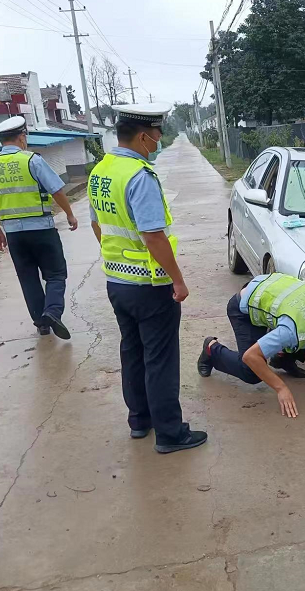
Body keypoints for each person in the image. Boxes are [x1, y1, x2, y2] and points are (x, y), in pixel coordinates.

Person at [88, 104, 207, 454]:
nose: (158, 142)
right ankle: (170, 433)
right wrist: (178, 280)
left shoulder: (102, 171)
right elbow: (153, 235)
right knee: (161, 358)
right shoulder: (139, 176)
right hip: (151, 286)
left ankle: (140, 420)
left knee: (133, 351)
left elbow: (98, 224)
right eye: (156, 136)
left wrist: (115, 257)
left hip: (117, 283)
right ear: (142, 136)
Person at [197, 259, 305, 418]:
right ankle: (212, 349)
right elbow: (251, 356)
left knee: (303, 335)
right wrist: (280, 388)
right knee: (251, 371)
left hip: (270, 285)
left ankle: (281, 359)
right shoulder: (291, 332)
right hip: (244, 306)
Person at [0, 115, 77, 339]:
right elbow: (56, 190)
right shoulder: (32, 160)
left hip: (14, 234)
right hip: (42, 229)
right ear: (22, 137)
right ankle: (52, 311)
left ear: (1, 140)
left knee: (28, 278)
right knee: (55, 274)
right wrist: (70, 214)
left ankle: (41, 323)